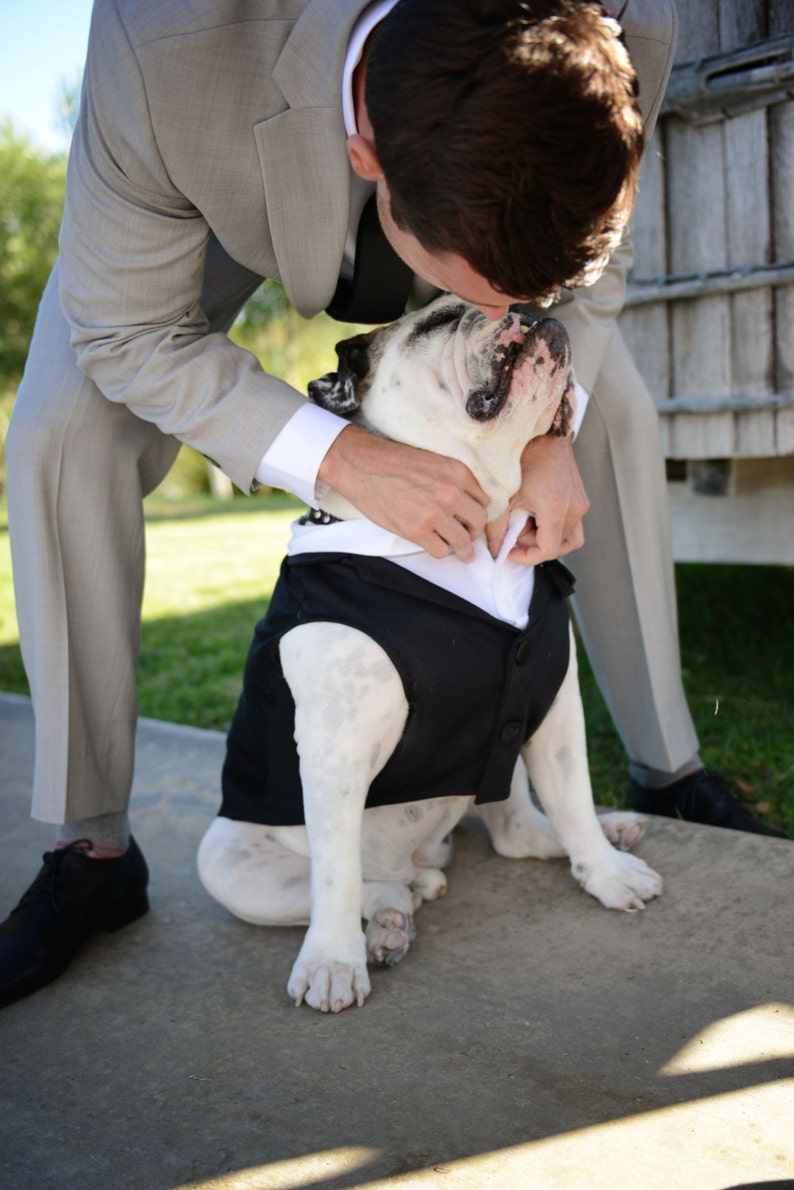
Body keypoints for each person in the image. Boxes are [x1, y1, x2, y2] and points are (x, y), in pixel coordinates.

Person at [0, 0, 771, 1011]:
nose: (517, 313)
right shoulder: (163, 45)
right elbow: (123, 329)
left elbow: (595, 255)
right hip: (219, 202)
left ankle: (667, 767)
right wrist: (341, 457)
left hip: (471, 210)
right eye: (498, 292)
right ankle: (91, 843)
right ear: (364, 154)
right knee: (61, 428)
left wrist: (548, 427)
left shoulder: (634, 18)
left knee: (610, 405)